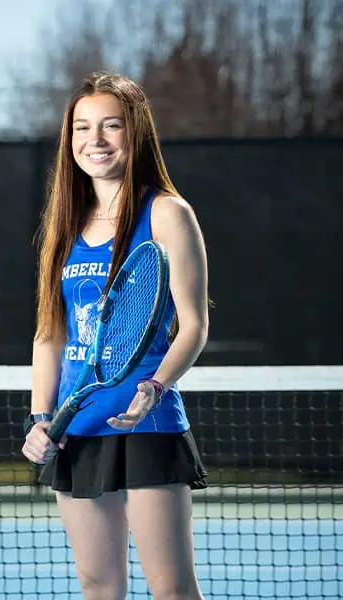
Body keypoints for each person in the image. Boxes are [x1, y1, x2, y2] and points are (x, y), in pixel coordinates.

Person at [21, 71, 210, 600]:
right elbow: (48, 335)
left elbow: (193, 325)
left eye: (111, 125)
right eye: (82, 127)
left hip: (146, 423)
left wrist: (156, 387)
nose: (95, 140)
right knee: (98, 586)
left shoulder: (168, 213)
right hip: (75, 429)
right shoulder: (63, 224)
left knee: (171, 589)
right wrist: (40, 418)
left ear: (136, 134)